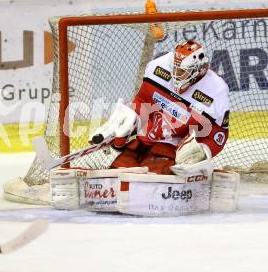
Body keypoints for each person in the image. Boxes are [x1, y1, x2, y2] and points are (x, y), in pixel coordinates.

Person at [90, 40, 230, 176]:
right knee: (115, 171)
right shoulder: (159, 66)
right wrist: (125, 124)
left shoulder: (216, 90)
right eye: (174, 68)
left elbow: (218, 135)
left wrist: (202, 151)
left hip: (171, 150)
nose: (175, 74)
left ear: (198, 71)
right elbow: (142, 100)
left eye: (182, 71)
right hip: (142, 140)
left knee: (153, 178)